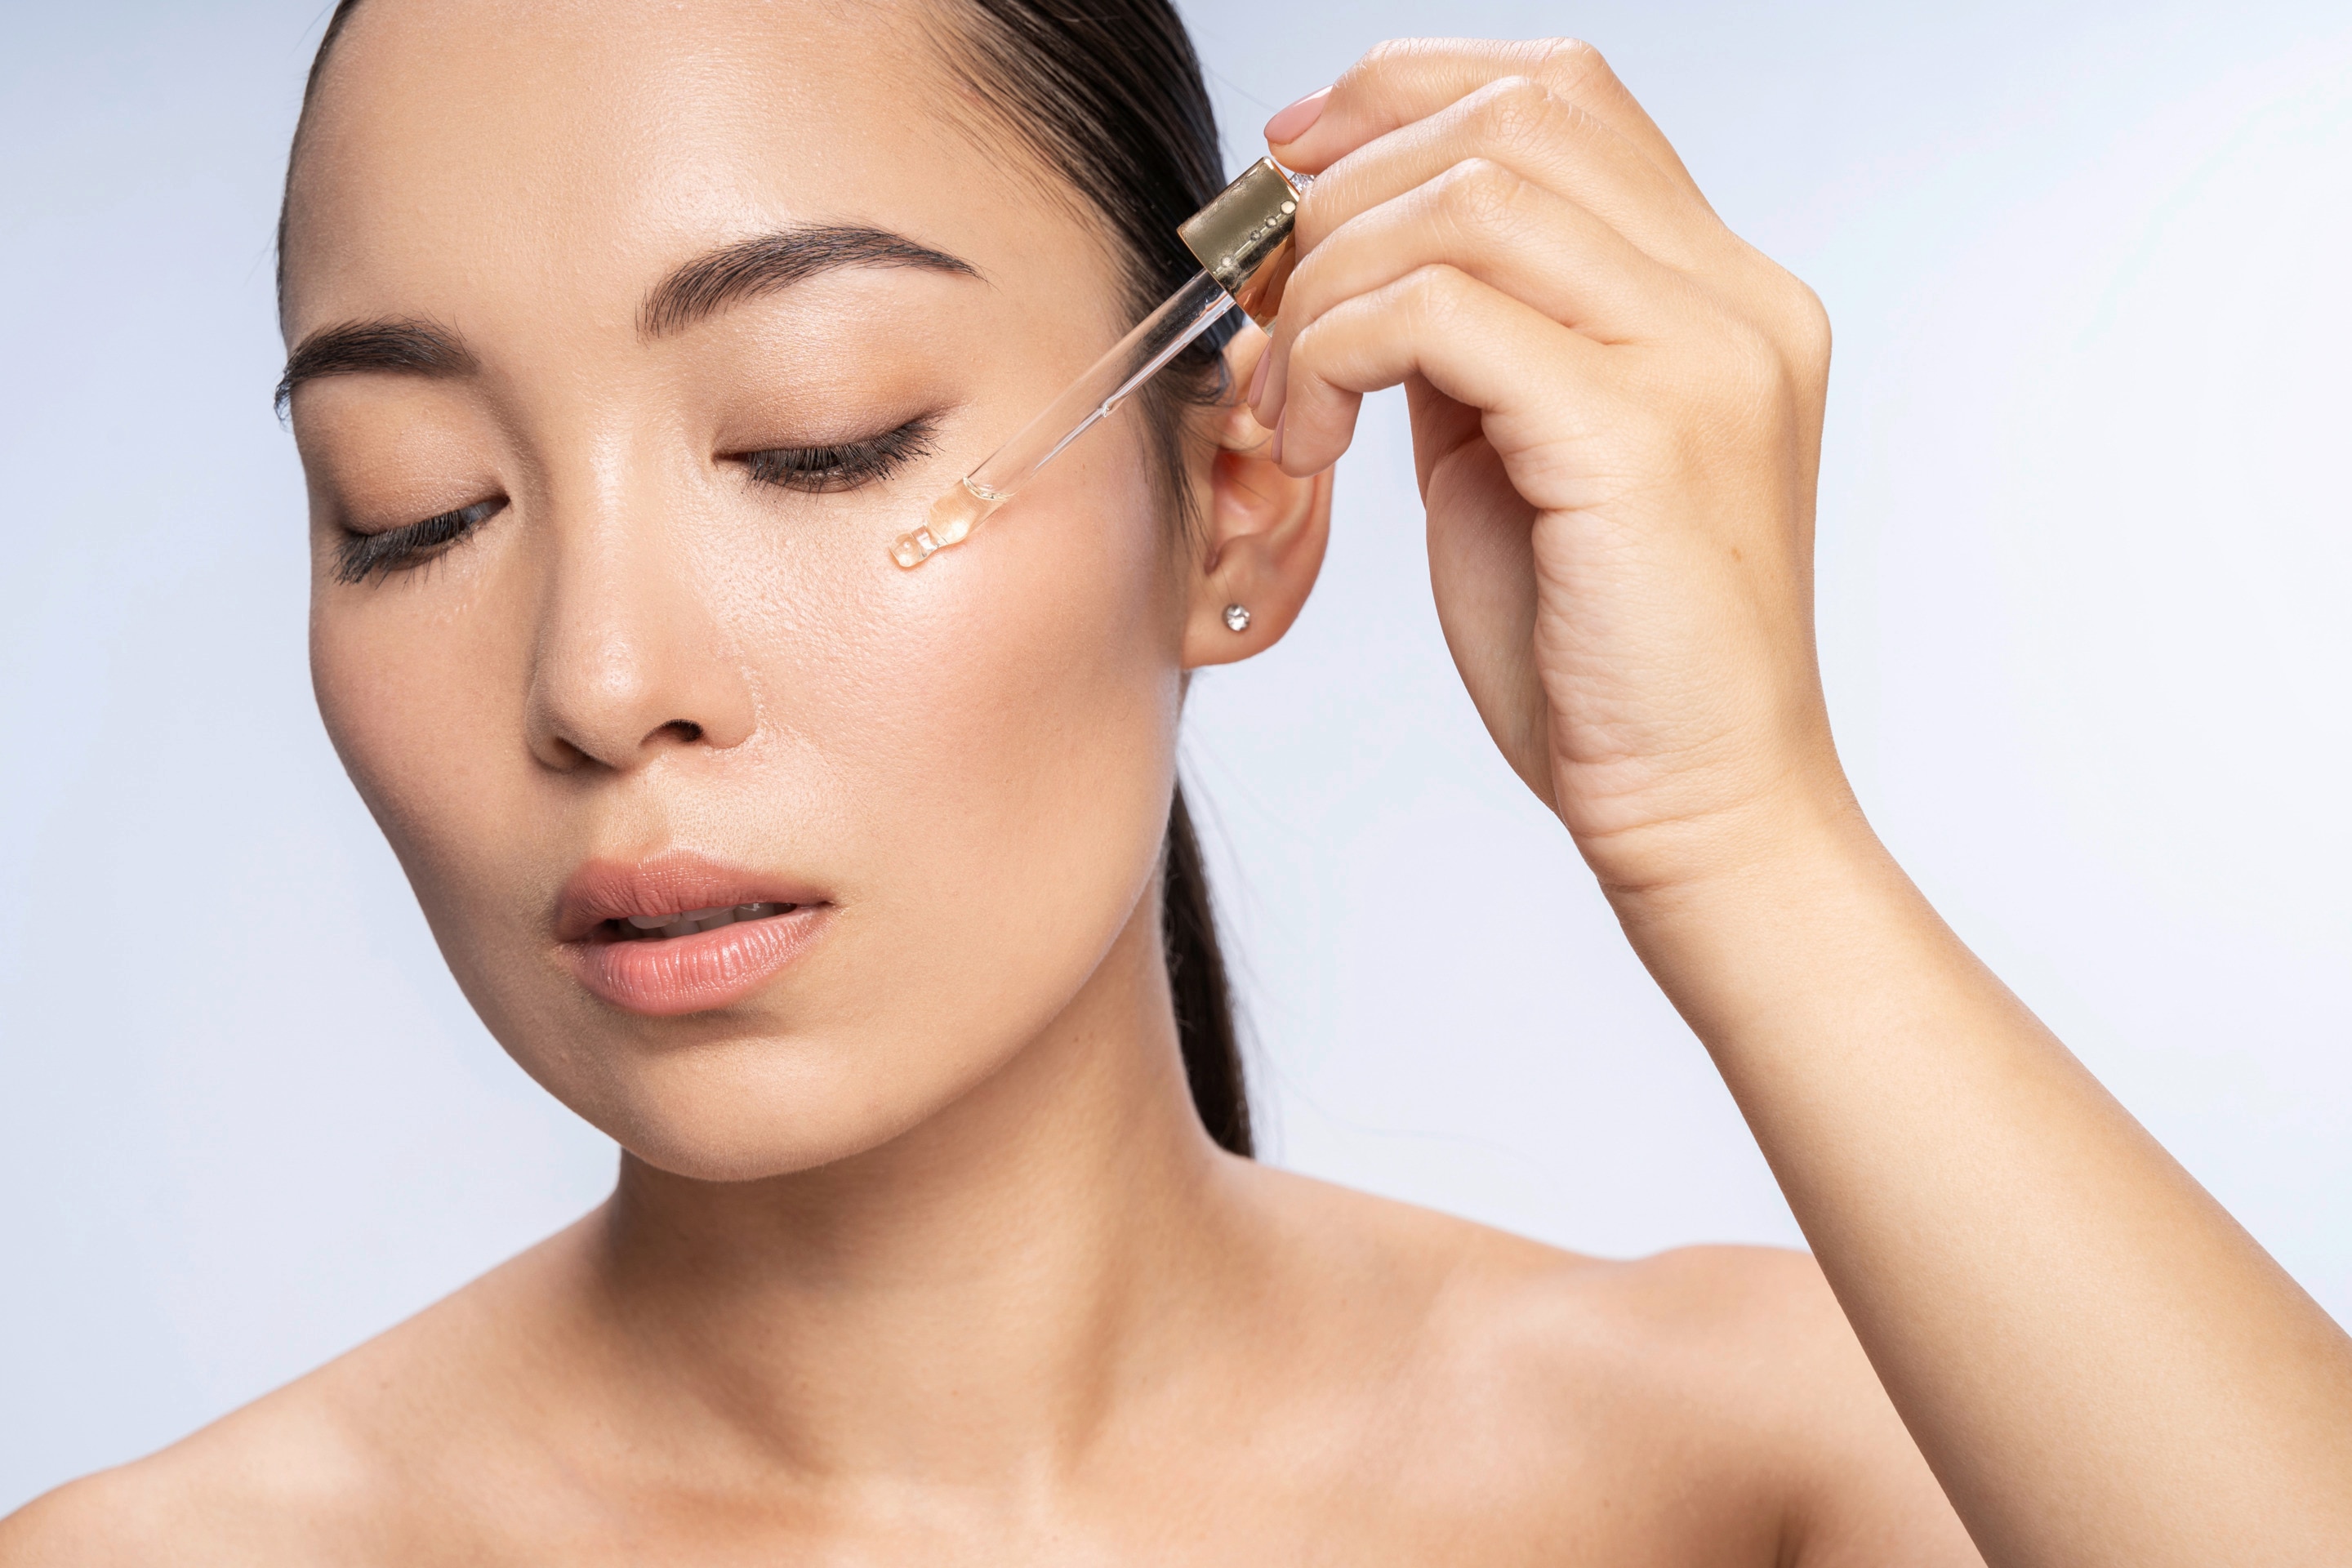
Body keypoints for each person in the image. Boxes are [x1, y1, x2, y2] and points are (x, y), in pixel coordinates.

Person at [6, 1, 2347, 1561]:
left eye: (819, 439)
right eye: (412, 509)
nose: (602, 682)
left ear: (1235, 493)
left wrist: (1742, 834)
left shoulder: (1790, 1467)